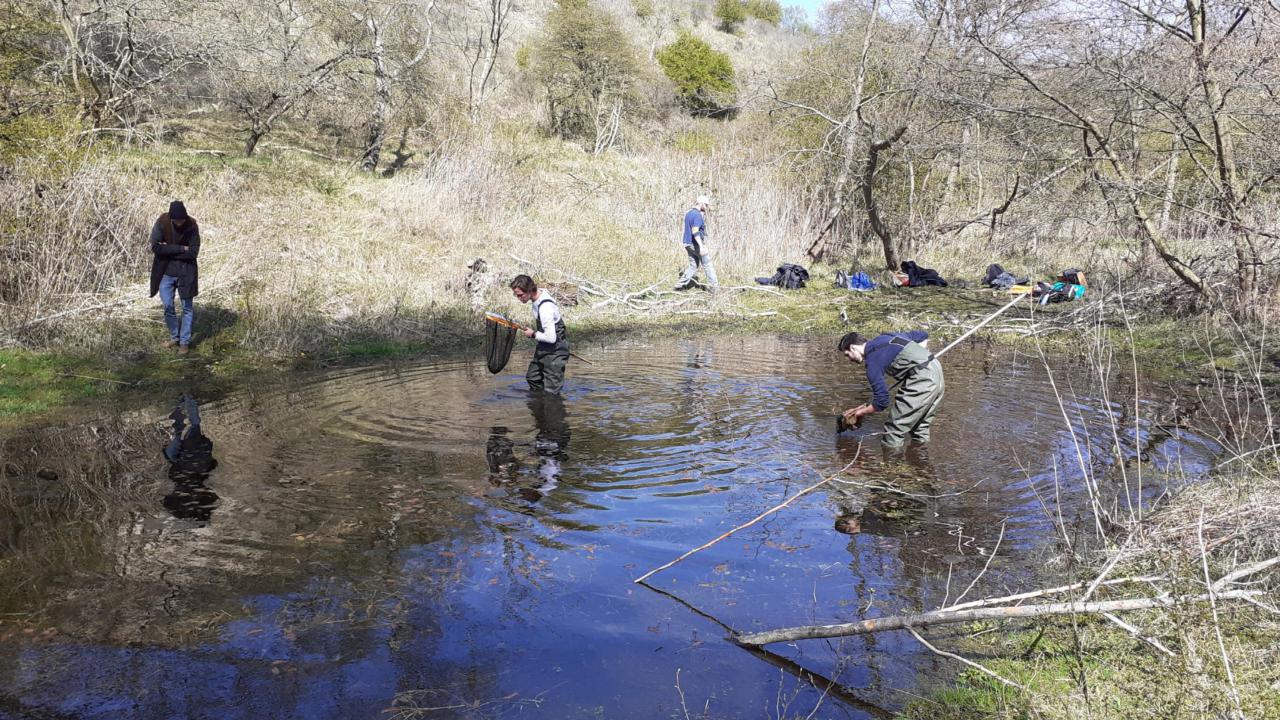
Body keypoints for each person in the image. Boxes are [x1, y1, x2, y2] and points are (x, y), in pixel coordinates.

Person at [838, 330, 944, 449]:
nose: (849, 359)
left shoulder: (872, 362)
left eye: (847, 355)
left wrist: (859, 413)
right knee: (920, 427)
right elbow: (923, 335)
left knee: (893, 429)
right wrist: (919, 360)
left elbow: (882, 402)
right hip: (936, 369)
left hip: (923, 380)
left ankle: (890, 465)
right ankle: (919, 461)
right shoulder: (888, 336)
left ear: (853, 348)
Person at [148, 200, 201, 354]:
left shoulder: (192, 225)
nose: (179, 223)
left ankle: (184, 342)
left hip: (187, 273)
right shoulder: (162, 222)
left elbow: (193, 252)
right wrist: (180, 248)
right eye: (176, 221)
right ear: (171, 218)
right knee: (168, 307)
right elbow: (156, 248)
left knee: (187, 308)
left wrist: (168, 250)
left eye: (181, 220)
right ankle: (174, 337)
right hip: (166, 272)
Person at [510, 274, 569, 394]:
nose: (519, 298)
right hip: (544, 348)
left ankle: (552, 408)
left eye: (520, 295)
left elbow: (551, 338)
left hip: (555, 351)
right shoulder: (537, 297)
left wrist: (533, 334)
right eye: (517, 295)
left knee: (551, 392)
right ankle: (540, 406)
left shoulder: (545, 307)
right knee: (533, 377)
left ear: (530, 290)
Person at [676, 195, 719, 291]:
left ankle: (679, 285)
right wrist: (701, 246)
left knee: (693, 265)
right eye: (706, 205)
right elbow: (695, 231)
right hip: (695, 244)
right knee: (707, 264)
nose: (707, 207)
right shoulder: (697, 215)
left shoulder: (689, 213)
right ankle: (714, 288)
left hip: (687, 243)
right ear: (702, 203)